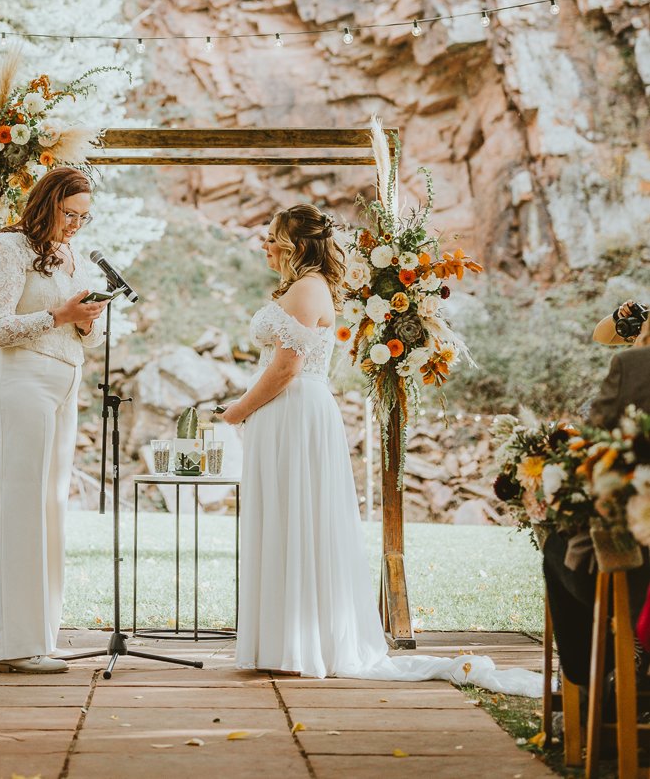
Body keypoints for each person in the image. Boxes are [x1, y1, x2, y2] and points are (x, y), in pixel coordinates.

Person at [222, 203, 539, 693]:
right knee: (284, 518)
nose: (264, 243)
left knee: (297, 517)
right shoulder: (298, 287)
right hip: (282, 413)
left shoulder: (307, 288)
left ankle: (302, 644)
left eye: (271, 236)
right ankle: (284, 641)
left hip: (295, 410)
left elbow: (287, 367)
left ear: (295, 243)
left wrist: (236, 411)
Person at [0, 168, 107, 674]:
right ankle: (11, 645)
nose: (76, 224)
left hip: (64, 381)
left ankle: (40, 637)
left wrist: (87, 320)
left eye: (83, 216)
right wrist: (58, 315)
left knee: (50, 507)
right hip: (19, 379)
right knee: (20, 504)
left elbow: (79, 332)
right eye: (69, 213)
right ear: (47, 203)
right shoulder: (8, 247)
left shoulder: (70, 254)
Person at [542, 299, 650, 687]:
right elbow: (604, 333)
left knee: (561, 550)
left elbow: (595, 437)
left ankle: (594, 677)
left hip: (637, 536)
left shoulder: (634, 366)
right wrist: (627, 318)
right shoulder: (636, 342)